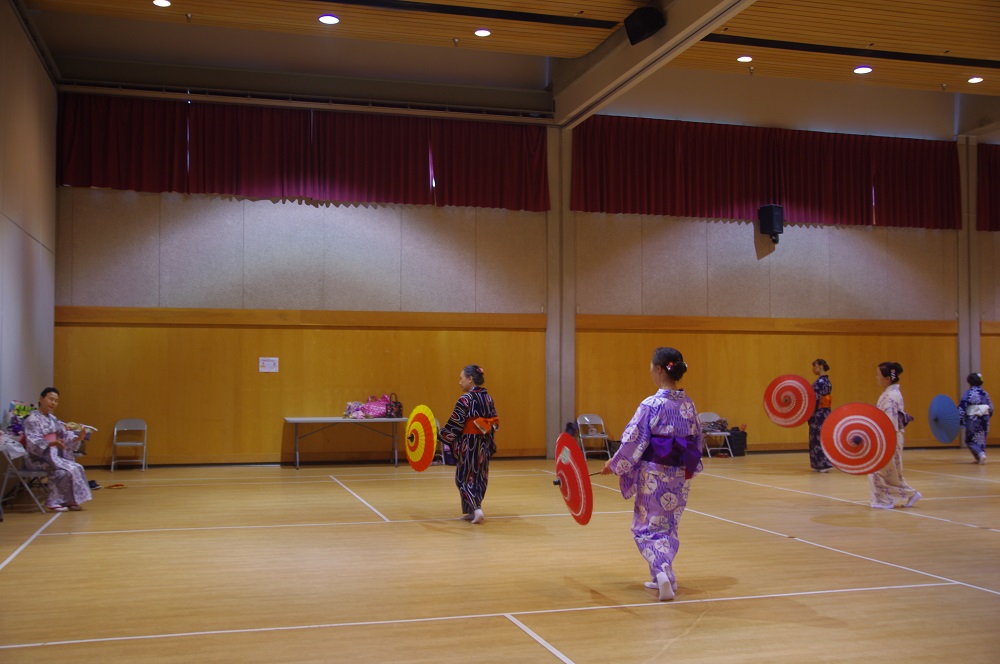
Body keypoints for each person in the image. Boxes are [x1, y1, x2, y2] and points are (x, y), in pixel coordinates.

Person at [600, 347, 703, 601]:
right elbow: (697, 440)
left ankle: (662, 573)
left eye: (650, 366)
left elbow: (634, 439)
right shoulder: (688, 404)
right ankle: (668, 576)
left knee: (645, 526)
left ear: (659, 369)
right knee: (668, 524)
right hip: (679, 473)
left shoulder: (652, 404)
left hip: (655, 473)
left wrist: (615, 463)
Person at [437, 365, 499, 524]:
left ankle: (477, 510)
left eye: (461, 378)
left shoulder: (465, 399)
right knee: (479, 476)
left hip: (469, 443)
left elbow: (455, 425)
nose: (460, 382)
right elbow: (495, 422)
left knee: (463, 477)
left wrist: (440, 435)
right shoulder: (488, 398)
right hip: (483, 442)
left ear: (470, 378)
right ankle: (473, 510)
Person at [22, 387, 93, 512]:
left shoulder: (53, 420)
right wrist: (51, 443)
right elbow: (33, 442)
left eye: (56, 400)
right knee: (63, 472)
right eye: (50, 399)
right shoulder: (32, 420)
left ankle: (71, 500)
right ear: (41, 399)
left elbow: (65, 435)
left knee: (77, 467)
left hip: (52, 456)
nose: (53, 403)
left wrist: (78, 438)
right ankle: (53, 501)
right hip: (37, 457)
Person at [870, 362, 920, 509]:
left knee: (878, 470)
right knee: (891, 473)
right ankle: (910, 494)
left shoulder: (891, 396)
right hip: (890, 435)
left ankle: (887, 500)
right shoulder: (891, 393)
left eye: (879, 375)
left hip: (890, 436)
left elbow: (890, 422)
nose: (877, 377)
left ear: (887, 379)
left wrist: (882, 438)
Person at [958, 372, 993, 465]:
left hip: (973, 418)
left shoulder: (969, 393)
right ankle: (980, 456)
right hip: (984, 417)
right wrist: (988, 416)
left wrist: (960, 418)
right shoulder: (985, 393)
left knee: (970, 439)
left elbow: (963, 406)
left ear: (969, 382)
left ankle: (980, 454)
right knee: (981, 438)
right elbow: (991, 407)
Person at [808, 358, 834, 472]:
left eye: (815, 366)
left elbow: (816, 399)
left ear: (821, 367)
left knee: (818, 438)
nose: (813, 369)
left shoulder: (820, 382)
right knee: (819, 437)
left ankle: (822, 463)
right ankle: (820, 463)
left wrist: (810, 413)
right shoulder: (826, 381)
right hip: (825, 412)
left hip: (818, 413)